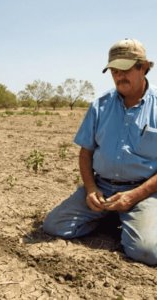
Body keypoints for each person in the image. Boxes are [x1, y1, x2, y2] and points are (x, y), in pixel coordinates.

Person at [43, 38, 157, 265]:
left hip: (143, 191)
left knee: (146, 252)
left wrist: (133, 196)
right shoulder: (100, 105)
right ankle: (110, 215)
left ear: (143, 67)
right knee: (54, 226)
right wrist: (91, 189)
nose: (119, 76)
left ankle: (131, 217)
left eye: (125, 69)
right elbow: (86, 153)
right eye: (114, 70)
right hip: (102, 187)